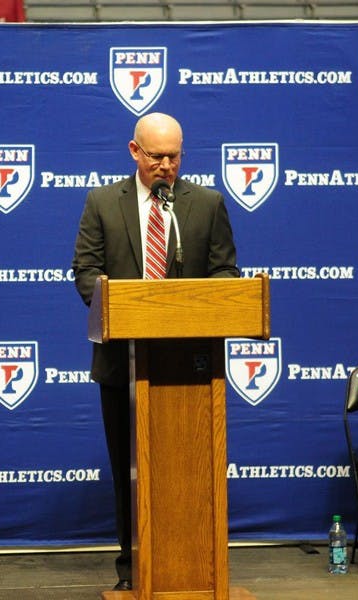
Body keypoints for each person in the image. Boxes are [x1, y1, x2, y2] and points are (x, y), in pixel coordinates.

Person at [72, 113, 239, 590]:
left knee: (188, 469)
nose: (166, 166)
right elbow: (86, 271)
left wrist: (190, 304)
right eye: (156, 157)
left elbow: (225, 272)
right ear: (134, 151)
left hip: (191, 366)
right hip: (121, 363)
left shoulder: (206, 204)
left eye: (174, 157)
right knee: (129, 470)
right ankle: (133, 568)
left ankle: (194, 566)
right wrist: (122, 306)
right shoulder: (103, 202)